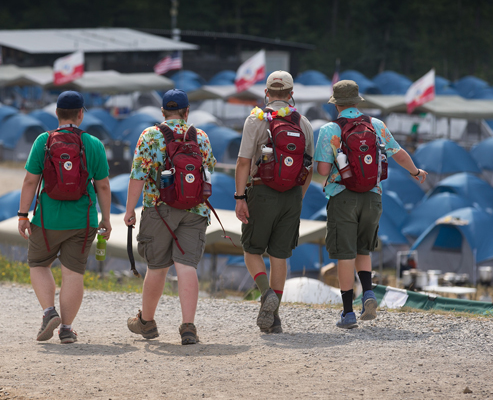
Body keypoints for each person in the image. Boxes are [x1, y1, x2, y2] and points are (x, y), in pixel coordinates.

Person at [314, 80, 427, 329]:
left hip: (342, 197)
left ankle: (348, 313)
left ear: (336, 105)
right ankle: (368, 294)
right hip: (373, 195)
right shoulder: (376, 125)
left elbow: (322, 170)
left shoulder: (329, 130)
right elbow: (398, 153)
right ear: (357, 101)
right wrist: (415, 171)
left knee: (345, 254)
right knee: (363, 249)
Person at [18, 90, 112, 344]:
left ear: (57, 113)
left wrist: (23, 214)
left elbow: (30, 181)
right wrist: (106, 219)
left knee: (39, 264)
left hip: (47, 219)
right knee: (73, 273)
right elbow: (102, 186)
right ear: (81, 114)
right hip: (83, 220)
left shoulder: (43, 141)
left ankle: (49, 312)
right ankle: (67, 329)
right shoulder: (93, 144)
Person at [124, 89, 216, 345]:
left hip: (158, 208)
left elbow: (138, 176)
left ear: (162, 112)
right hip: (195, 209)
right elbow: (208, 170)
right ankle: (188, 327)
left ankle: (147, 322)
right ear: (187, 112)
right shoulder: (202, 137)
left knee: (157, 267)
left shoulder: (150, 135)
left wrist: (130, 210)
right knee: (186, 265)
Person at [234, 71, 315, 334]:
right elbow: (309, 167)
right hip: (292, 195)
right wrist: (297, 198)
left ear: (266, 93)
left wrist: (239, 197)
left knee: (251, 250)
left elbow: (244, 162)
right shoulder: (303, 123)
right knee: (280, 255)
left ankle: (265, 292)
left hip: (261, 191)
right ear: (291, 94)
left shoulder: (256, 120)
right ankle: (274, 318)